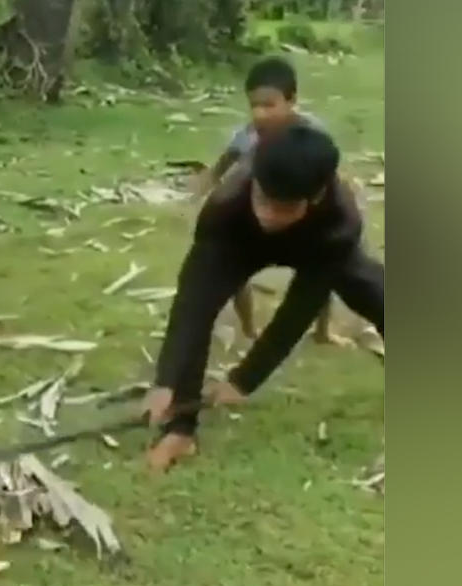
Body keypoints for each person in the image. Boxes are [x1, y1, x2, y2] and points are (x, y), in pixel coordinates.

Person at [143, 125, 384, 472]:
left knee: (376, 291)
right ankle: (181, 431)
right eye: (263, 200)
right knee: (200, 312)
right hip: (240, 243)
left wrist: (245, 379)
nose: (268, 214)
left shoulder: (341, 222)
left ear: (314, 197)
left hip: (315, 245)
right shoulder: (225, 206)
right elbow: (192, 305)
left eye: (283, 207)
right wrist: (167, 380)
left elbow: (299, 309)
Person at [194, 56, 346, 345]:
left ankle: (323, 331)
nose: (260, 114)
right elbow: (227, 160)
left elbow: (328, 167)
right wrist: (210, 181)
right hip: (258, 219)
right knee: (236, 271)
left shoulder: (312, 133)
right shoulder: (248, 136)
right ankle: (250, 328)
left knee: (323, 269)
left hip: (300, 216)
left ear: (292, 101)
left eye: (269, 104)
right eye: (254, 106)